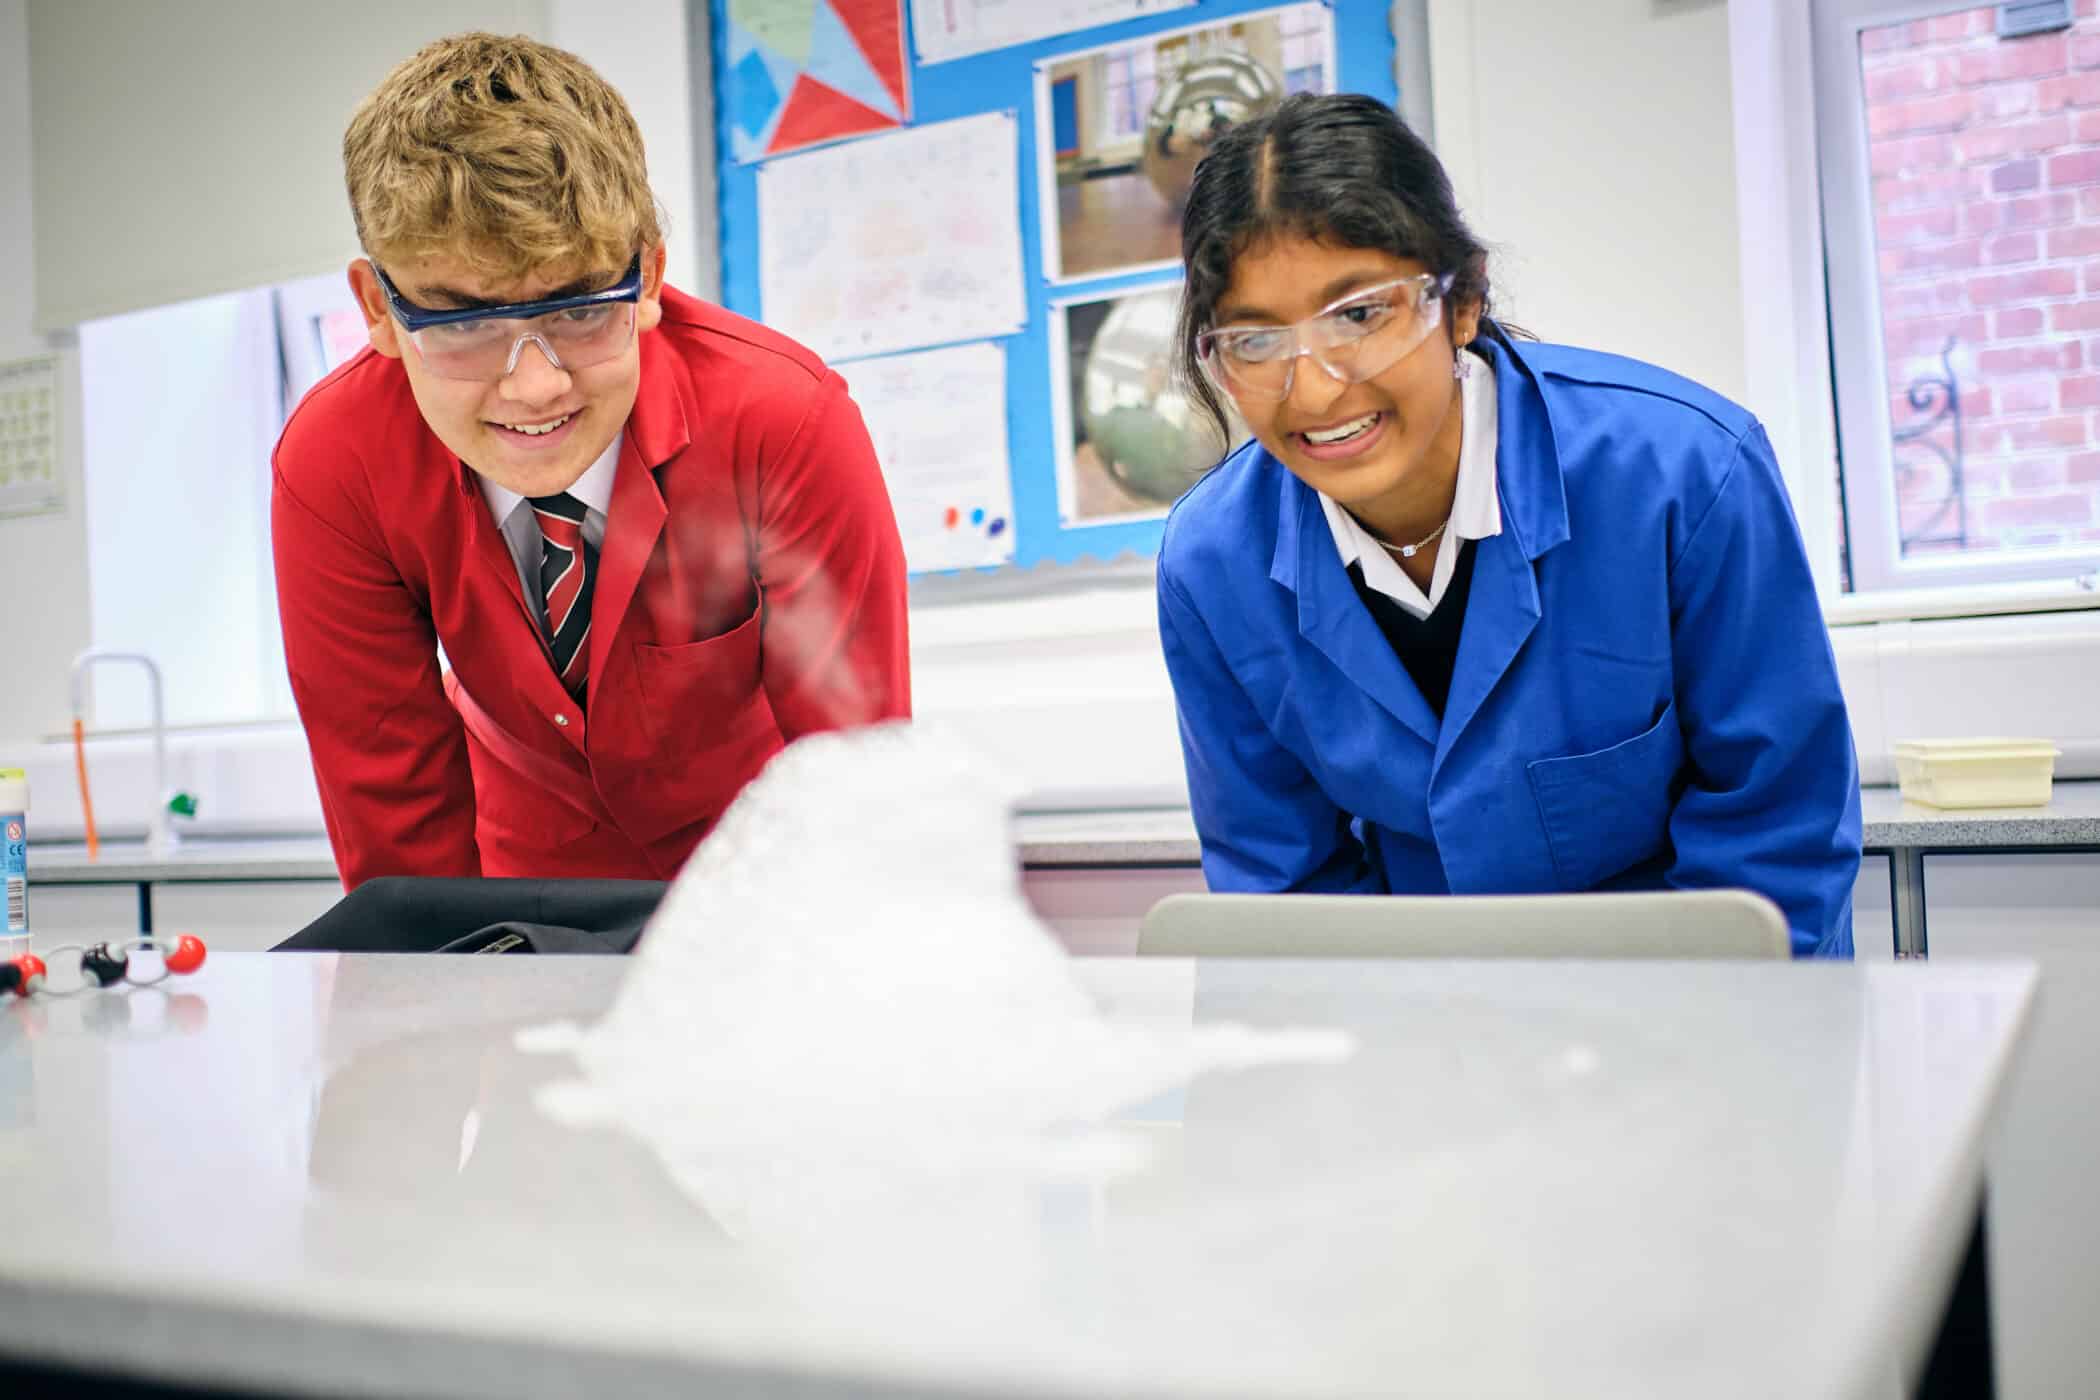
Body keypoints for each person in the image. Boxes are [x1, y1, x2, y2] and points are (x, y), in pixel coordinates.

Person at [1157, 93, 1861, 956]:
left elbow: (1776, 839)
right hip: (1428, 1037)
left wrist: (1660, 1068)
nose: (1313, 389)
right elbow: (1284, 897)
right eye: (1255, 341)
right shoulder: (1212, 564)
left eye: (1359, 314)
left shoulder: (1684, 473)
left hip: (1709, 1016)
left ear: (1461, 301)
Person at [273, 33, 909, 891]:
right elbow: (398, 839)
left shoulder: (782, 420)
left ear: (647, 277)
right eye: (462, 324)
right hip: (519, 889)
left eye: (578, 311)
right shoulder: (334, 467)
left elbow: (855, 780)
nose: (533, 386)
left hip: (770, 889)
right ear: (378, 310)